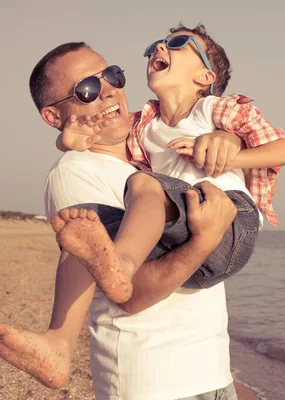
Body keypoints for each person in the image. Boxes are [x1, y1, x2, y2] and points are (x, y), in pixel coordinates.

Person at [0, 41, 247, 400]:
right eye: (86, 90)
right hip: (154, 381)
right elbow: (128, 293)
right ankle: (58, 341)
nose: (109, 92)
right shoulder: (77, 172)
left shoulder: (150, 155)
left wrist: (225, 137)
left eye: (112, 76)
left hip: (211, 371)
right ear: (53, 116)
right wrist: (204, 242)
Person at [57, 23, 285, 304]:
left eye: (178, 44)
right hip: (183, 246)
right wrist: (67, 141)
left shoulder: (214, 109)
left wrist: (230, 157)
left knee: (143, 184)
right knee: (83, 230)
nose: (159, 48)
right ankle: (59, 336)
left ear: (204, 76)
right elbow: (102, 137)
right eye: (155, 47)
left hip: (229, 218)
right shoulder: (143, 125)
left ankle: (123, 263)